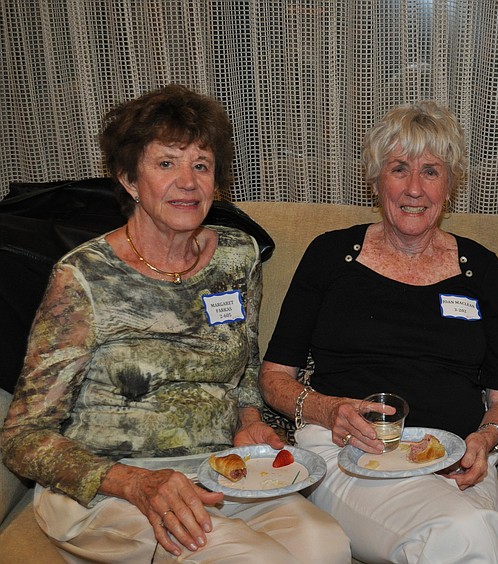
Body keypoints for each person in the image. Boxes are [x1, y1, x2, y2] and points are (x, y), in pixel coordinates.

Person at [1, 85, 350, 563]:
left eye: (201, 165)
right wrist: (135, 482)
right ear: (128, 178)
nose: (187, 181)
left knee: (325, 545)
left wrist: (249, 422)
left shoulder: (236, 257)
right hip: (112, 487)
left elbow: (245, 375)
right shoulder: (83, 278)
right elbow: (22, 438)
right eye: (166, 163)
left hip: (217, 472)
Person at [260, 100, 498, 563]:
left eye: (431, 171)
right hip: (350, 455)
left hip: (455, 458)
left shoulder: (480, 268)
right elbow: (274, 377)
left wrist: (484, 442)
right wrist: (327, 409)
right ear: (377, 178)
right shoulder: (329, 255)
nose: (415, 189)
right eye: (399, 169)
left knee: (472, 530)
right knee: (465, 533)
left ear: (451, 184)